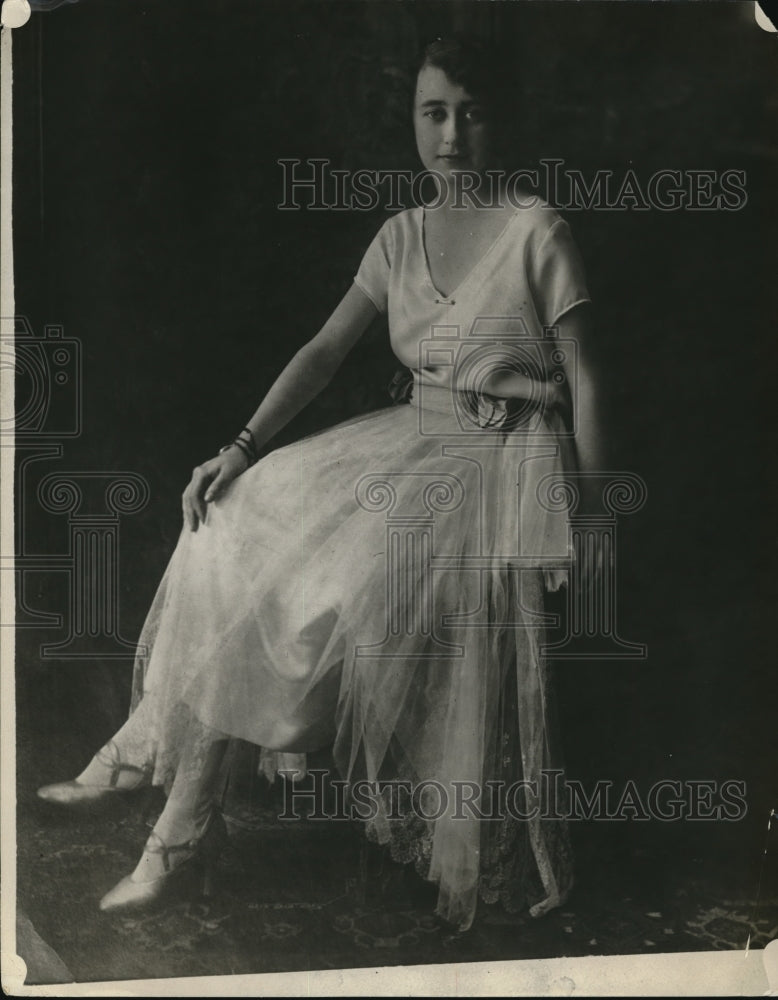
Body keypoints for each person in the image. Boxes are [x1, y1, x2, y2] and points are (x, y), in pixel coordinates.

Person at [37, 36, 602, 932]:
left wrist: (594, 519)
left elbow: (588, 383)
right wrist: (241, 443)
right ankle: (155, 764)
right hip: (409, 441)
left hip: (502, 465)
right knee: (232, 514)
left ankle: (175, 827)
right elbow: (323, 351)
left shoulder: (540, 232)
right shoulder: (400, 235)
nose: (452, 134)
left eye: (472, 112)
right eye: (434, 112)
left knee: (342, 584)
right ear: (414, 119)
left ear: (502, 120)